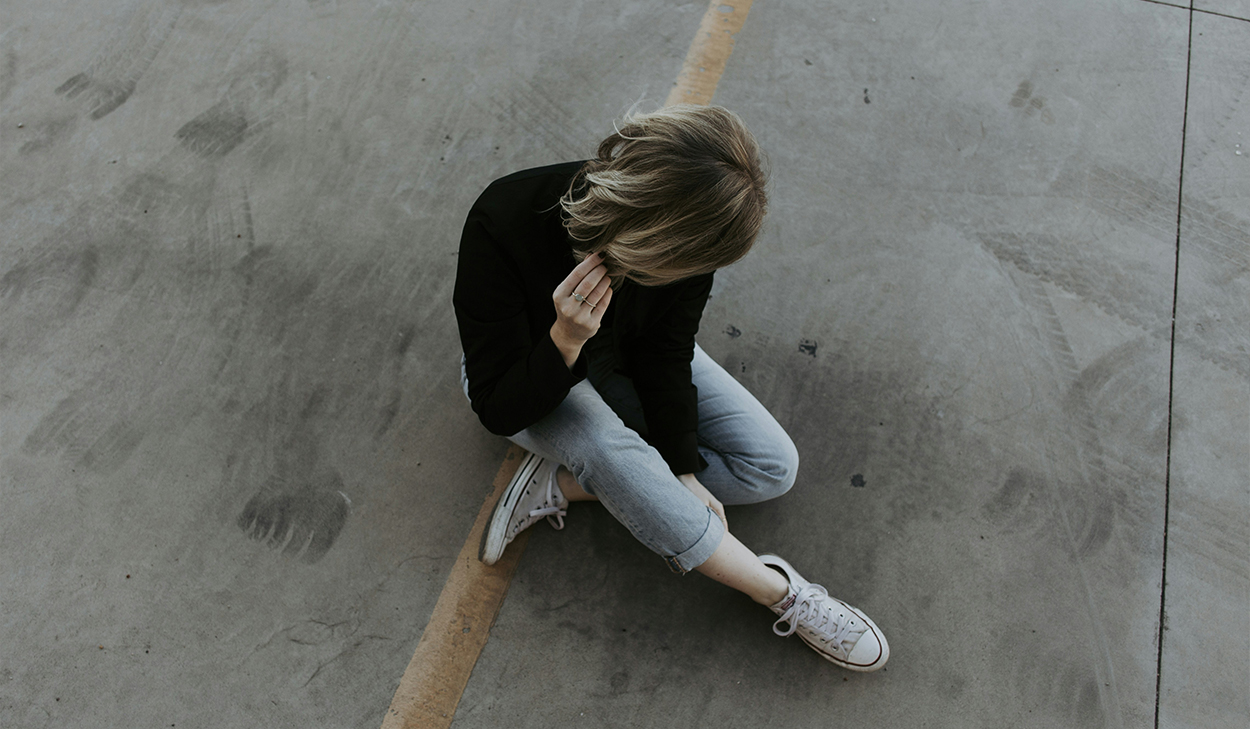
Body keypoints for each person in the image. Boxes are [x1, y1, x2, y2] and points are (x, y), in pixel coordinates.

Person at [453, 104, 888, 671]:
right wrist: (564, 338)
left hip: (626, 355)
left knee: (770, 467)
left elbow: (665, 351)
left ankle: (562, 485)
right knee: (605, 448)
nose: (690, 273)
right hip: (530, 372)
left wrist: (681, 469)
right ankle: (778, 590)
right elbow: (495, 403)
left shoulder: (695, 238)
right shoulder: (504, 216)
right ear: (655, 229)